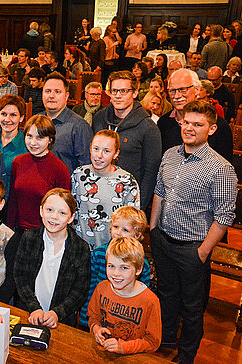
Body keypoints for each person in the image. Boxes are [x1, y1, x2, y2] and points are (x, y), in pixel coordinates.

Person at [150, 100, 237, 364]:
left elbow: (224, 216)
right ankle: (164, 341)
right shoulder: (171, 154)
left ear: (211, 129)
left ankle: (186, 355)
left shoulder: (221, 168)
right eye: (186, 122)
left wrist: (202, 252)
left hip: (192, 247)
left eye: (197, 124)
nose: (189, 128)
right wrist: (153, 228)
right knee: (165, 293)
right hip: (163, 238)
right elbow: (159, 192)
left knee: (192, 307)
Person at [14, 188, 91, 328]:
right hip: (29, 313)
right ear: (41, 211)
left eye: (62, 213)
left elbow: (80, 290)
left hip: (62, 320)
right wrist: (34, 307)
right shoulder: (29, 238)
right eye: (49, 210)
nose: (54, 217)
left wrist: (57, 313)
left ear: (71, 218)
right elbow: (20, 277)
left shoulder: (81, 248)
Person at [92, 71, 161, 210]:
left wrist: (137, 208)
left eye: (124, 91)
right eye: (114, 91)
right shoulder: (99, 119)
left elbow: (150, 173)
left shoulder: (148, 128)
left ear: (135, 93)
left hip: (128, 200)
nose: (118, 96)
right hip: (97, 194)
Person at [79, 206, 151, 328]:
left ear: (137, 235)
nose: (118, 233)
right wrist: (86, 316)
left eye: (125, 230)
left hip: (123, 320)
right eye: (116, 227)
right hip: (96, 316)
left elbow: (142, 297)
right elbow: (89, 286)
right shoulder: (99, 253)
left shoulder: (142, 264)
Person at [88, 237, 161, 354]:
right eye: (111, 266)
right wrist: (96, 328)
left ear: (138, 269)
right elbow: (93, 316)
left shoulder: (150, 301)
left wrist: (124, 347)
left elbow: (153, 342)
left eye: (124, 268)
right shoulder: (101, 288)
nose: (116, 273)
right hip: (104, 352)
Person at [72, 130, 140, 251]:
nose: (99, 155)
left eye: (106, 151)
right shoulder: (79, 175)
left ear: (116, 154)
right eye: (96, 149)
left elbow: (132, 223)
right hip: (80, 250)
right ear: (90, 149)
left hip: (112, 252)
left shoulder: (127, 181)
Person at [7, 115, 70, 232]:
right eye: (29, 136)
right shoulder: (18, 162)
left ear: (50, 140)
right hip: (18, 231)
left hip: (45, 232)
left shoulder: (60, 169)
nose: (33, 142)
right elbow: (12, 201)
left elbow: (63, 209)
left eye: (39, 138)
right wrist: (9, 230)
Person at [158, 68, 233, 162]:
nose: (176, 96)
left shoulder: (218, 125)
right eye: (172, 91)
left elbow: (224, 167)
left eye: (182, 90)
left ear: (197, 90)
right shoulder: (163, 123)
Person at [42, 72, 92, 174]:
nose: (51, 96)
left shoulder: (79, 126)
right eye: (47, 91)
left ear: (66, 96)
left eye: (57, 92)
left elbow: (86, 166)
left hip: (66, 187)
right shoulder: (36, 121)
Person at [0, 95, 28, 195]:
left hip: (15, 197)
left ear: (21, 118)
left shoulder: (27, 143)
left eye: (13, 115)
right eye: (3, 114)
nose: (7, 119)